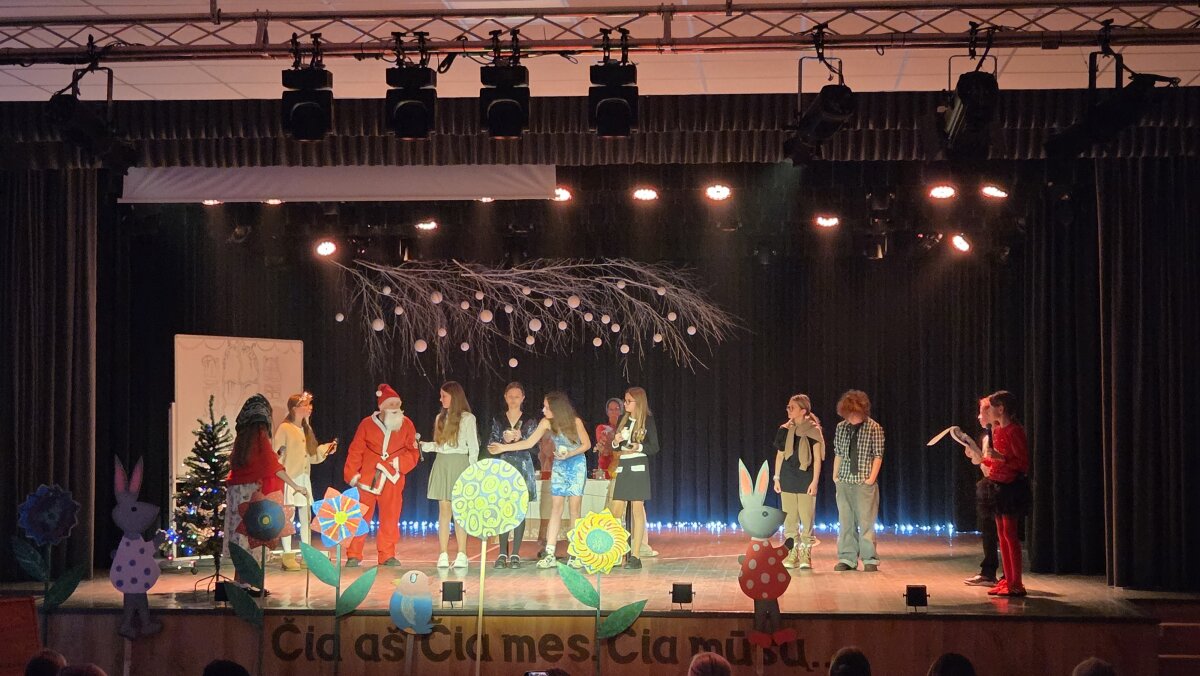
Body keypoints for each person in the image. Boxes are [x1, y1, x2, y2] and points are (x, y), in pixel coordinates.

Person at [489, 391, 591, 569]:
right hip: (559, 466)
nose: (543, 410)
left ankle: (575, 553)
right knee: (556, 508)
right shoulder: (546, 422)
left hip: (576, 465)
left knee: (574, 510)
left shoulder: (576, 422)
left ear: (557, 408)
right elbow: (528, 443)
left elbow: (586, 444)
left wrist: (570, 454)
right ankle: (550, 553)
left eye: (546, 407)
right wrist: (503, 448)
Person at [224, 394, 309, 575]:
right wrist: (295, 486)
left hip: (236, 491)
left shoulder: (242, 439)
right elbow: (273, 466)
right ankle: (249, 582)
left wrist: (275, 456)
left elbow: (257, 462)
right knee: (252, 538)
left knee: (241, 539)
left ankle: (241, 581)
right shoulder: (260, 437)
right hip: (251, 493)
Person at [343, 384, 421, 567]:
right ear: (382, 407)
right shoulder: (366, 424)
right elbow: (356, 450)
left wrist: (399, 463)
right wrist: (352, 473)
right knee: (360, 516)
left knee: (390, 517)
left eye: (397, 404)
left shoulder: (407, 424)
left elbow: (413, 451)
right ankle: (354, 553)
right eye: (391, 404)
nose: (395, 408)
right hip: (367, 478)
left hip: (393, 478)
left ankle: (387, 554)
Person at [274, 391, 336, 570]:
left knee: (305, 517)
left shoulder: (306, 429)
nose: (310, 408)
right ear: (294, 409)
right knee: (288, 517)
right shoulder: (285, 428)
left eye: (310, 404)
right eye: (305, 405)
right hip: (289, 478)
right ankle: (287, 555)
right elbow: (276, 455)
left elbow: (312, 456)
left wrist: (325, 449)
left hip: (303, 478)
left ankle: (307, 553)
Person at [421, 381, 479, 569]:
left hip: (460, 464)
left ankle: (462, 553)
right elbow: (439, 445)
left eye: (444, 396)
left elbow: (473, 448)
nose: (441, 399)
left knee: (460, 512)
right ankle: (443, 554)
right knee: (444, 511)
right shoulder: (440, 417)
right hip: (442, 463)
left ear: (454, 397)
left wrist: (472, 472)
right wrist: (423, 446)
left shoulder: (468, 418)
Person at [980, 390, 1030, 597]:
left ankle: (1016, 583)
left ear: (1001, 409)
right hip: (997, 485)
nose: (988, 411)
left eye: (991, 407)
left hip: (1010, 487)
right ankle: (1008, 580)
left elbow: (1023, 463)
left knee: (1010, 535)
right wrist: (983, 458)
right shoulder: (998, 430)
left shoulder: (1014, 431)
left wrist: (999, 457)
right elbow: (995, 461)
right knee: (1001, 535)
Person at [486, 382, 539, 568]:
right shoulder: (499, 419)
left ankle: (515, 553)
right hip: (504, 468)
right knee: (503, 509)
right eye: (510, 396)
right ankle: (502, 553)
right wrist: (503, 439)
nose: (514, 400)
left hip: (523, 467)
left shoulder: (530, 420)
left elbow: (536, 448)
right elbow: (490, 446)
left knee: (519, 510)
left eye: (517, 396)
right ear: (505, 397)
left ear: (523, 398)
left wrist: (520, 438)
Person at [831, 390, 885, 572]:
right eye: (849, 414)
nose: (852, 418)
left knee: (866, 522)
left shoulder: (874, 428)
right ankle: (847, 558)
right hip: (844, 480)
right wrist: (835, 476)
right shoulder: (841, 428)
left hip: (864, 482)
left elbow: (878, 455)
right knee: (846, 522)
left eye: (855, 413)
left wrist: (871, 479)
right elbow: (838, 453)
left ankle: (869, 559)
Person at [609, 387, 660, 570]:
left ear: (638, 402)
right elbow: (616, 447)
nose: (625, 404)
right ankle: (615, 553)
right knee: (616, 510)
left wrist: (638, 447)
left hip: (638, 466)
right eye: (625, 400)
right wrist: (615, 441)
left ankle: (635, 556)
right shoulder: (623, 420)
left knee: (637, 509)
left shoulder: (647, 421)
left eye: (628, 401)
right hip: (624, 466)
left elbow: (654, 447)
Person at [773, 394, 824, 569]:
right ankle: (792, 553)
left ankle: (805, 554)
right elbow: (780, 455)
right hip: (787, 477)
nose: (788, 410)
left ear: (803, 411)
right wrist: (776, 477)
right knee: (790, 519)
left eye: (792, 407)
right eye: (788, 407)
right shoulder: (784, 429)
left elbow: (817, 459)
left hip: (805, 478)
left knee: (806, 517)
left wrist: (815, 481)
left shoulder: (813, 430)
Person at [963, 396, 1002, 587]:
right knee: (988, 530)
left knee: (1002, 532)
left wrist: (984, 459)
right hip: (989, 484)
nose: (979, 417)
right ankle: (988, 572)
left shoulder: (1001, 434)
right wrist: (974, 454)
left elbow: (999, 462)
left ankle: (1008, 576)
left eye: (982, 413)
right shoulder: (987, 437)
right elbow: (984, 464)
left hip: (1001, 486)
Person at [594, 397, 623, 480]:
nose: (614, 412)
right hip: (606, 467)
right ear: (607, 412)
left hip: (622, 467)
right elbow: (605, 449)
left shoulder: (626, 429)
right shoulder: (602, 428)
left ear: (621, 411)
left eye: (617, 409)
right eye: (611, 409)